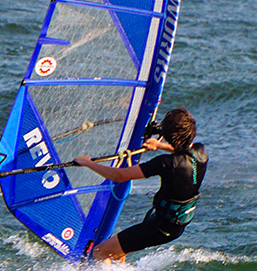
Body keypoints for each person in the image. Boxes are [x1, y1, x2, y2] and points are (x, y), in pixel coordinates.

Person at [71, 108, 206, 262]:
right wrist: (159, 145)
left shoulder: (166, 164)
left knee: (101, 252)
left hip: (160, 227)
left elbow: (119, 176)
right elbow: (183, 151)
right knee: (119, 251)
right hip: (173, 224)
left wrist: (87, 163)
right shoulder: (201, 152)